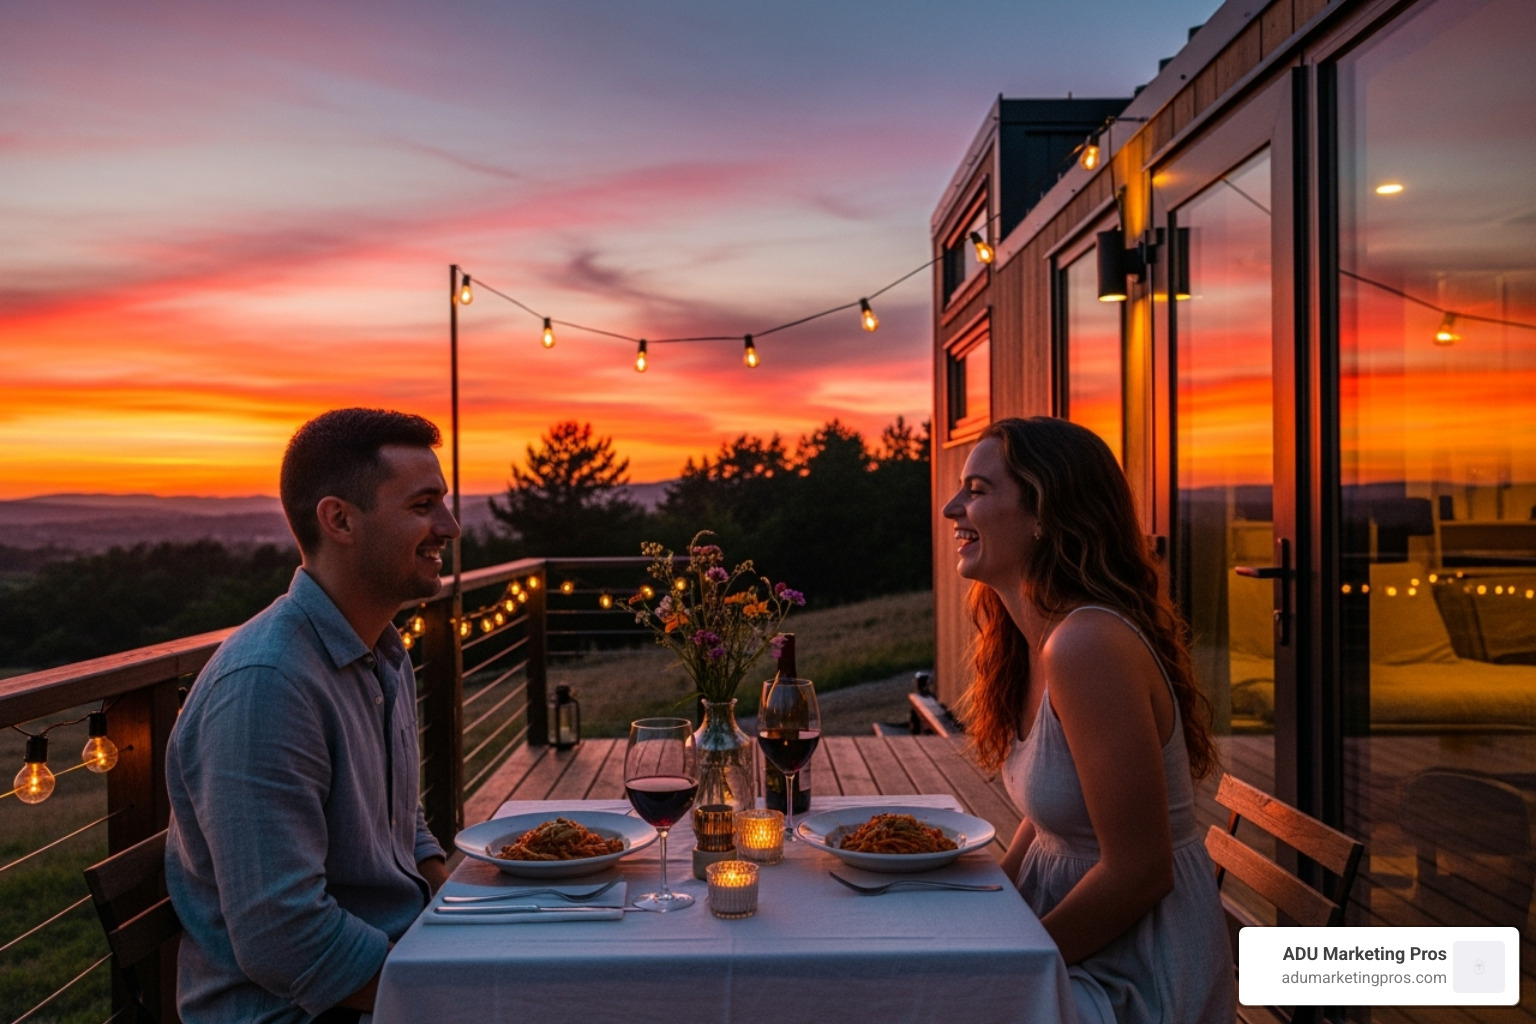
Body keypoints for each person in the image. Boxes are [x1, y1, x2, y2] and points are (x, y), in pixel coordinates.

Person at [166, 408, 459, 1024]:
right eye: (423, 505)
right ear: (339, 520)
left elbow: (402, 826)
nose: (450, 526)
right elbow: (285, 938)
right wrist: (451, 999)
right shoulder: (268, 686)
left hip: (397, 968)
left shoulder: (383, 653)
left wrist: (460, 909)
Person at [941, 416, 1233, 1024]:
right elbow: (1049, 826)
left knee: (906, 999)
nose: (951, 507)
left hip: (1135, 973)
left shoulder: (1086, 646)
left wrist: (1015, 967)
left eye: (978, 489)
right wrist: (984, 904)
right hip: (1083, 943)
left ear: (1047, 512)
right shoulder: (1031, 639)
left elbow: (1140, 873)